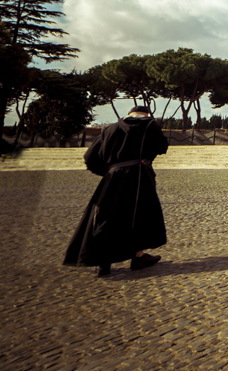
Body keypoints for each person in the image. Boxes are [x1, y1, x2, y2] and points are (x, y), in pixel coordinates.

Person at [64, 105, 168, 277]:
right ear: (146, 114)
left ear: (129, 114)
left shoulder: (110, 128)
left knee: (107, 216)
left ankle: (104, 262)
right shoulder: (150, 125)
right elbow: (161, 147)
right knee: (139, 215)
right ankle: (138, 257)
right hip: (140, 174)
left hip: (113, 176)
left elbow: (90, 157)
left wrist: (109, 172)